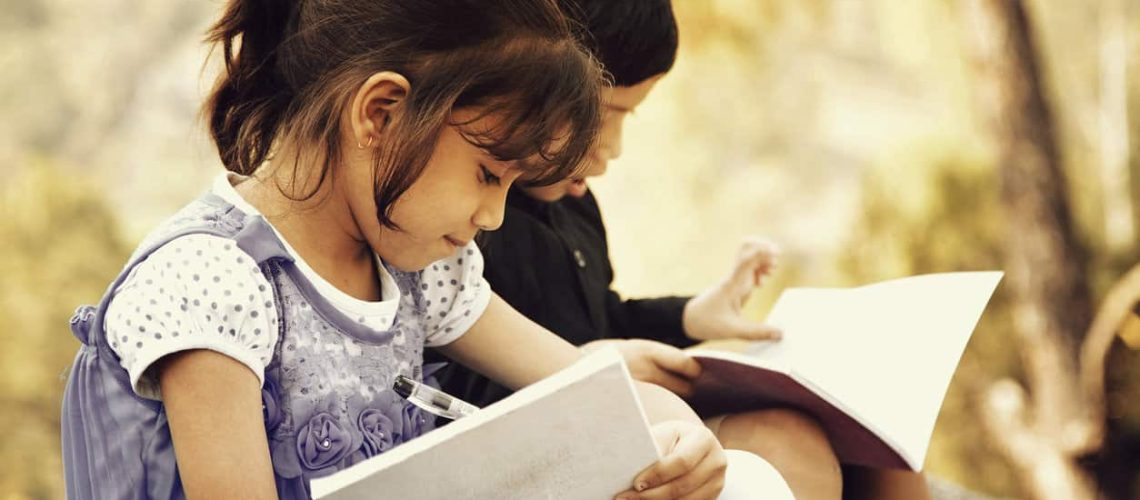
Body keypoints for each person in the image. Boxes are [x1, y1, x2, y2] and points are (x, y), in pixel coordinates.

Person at [59, 1, 739, 498]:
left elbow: (586, 383)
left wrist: (684, 438)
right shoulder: (214, 283)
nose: (495, 217)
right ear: (381, 114)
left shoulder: (422, 274)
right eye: (488, 174)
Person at [434, 1, 932, 499]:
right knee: (783, 443)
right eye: (604, 113)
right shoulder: (463, 226)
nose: (613, 147)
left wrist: (689, 318)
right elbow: (452, 385)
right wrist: (592, 363)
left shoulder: (573, 209)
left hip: (610, 398)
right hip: (541, 435)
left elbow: (602, 315)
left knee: (879, 437)